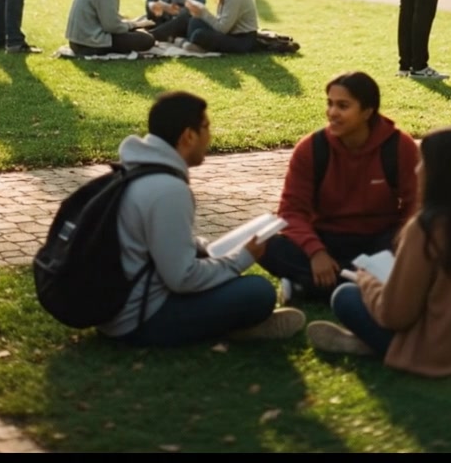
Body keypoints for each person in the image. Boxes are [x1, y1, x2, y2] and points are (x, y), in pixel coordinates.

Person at [307, 127, 451, 374]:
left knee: (345, 295)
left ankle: (373, 346)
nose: (416, 170)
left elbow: (396, 315)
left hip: (449, 354)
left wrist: (368, 282)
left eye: (421, 163)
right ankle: (370, 344)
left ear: (438, 172)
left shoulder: (427, 228)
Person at [98, 91, 306, 346]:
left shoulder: (132, 171)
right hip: (140, 320)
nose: (210, 137)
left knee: (216, 266)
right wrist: (242, 258)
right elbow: (182, 278)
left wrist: (201, 247)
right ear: (188, 136)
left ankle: (229, 323)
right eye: (206, 127)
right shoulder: (168, 190)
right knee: (258, 292)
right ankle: (233, 329)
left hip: (116, 311)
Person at [261, 72, 419, 301]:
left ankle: (307, 287)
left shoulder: (398, 146)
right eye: (330, 104)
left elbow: (416, 205)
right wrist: (315, 251)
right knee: (263, 243)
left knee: (424, 245)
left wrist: (400, 245)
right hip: (326, 238)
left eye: (343, 106)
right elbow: (291, 211)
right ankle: (370, 284)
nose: (332, 113)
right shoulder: (312, 148)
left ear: (367, 111)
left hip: (380, 240)